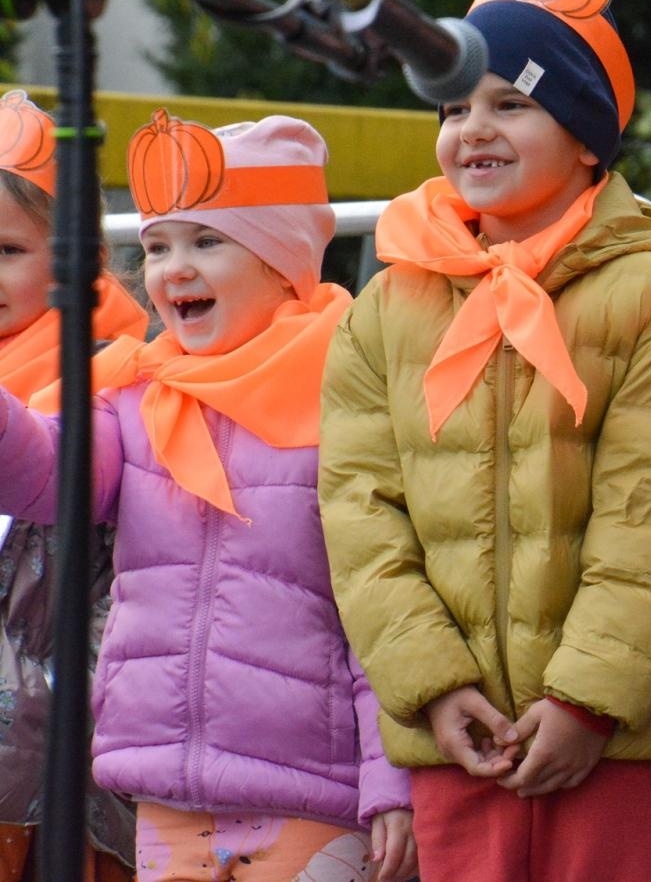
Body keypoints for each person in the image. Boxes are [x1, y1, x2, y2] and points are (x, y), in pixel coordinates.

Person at [318, 0, 651, 882]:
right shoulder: (384, 307)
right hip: (455, 738)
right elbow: (358, 514)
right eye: (454, 109)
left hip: (608, 740)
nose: (473, 128)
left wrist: (587, 702)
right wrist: (433, 685)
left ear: (586, 137)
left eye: (511, 103)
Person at [0, 111, 415, 881]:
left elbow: (384, 609)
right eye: (157, 247)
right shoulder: (133, 394)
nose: (172, 268)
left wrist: (396, 778)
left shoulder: (350, 395)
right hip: (164, 796)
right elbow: (46, 478)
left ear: (281, 259)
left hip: (313, 799)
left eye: (206, 242)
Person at [0, 91, 146, 882]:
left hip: (57, 773)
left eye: (7, 250)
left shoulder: (116, 382)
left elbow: (126, 588)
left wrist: (38, 711)